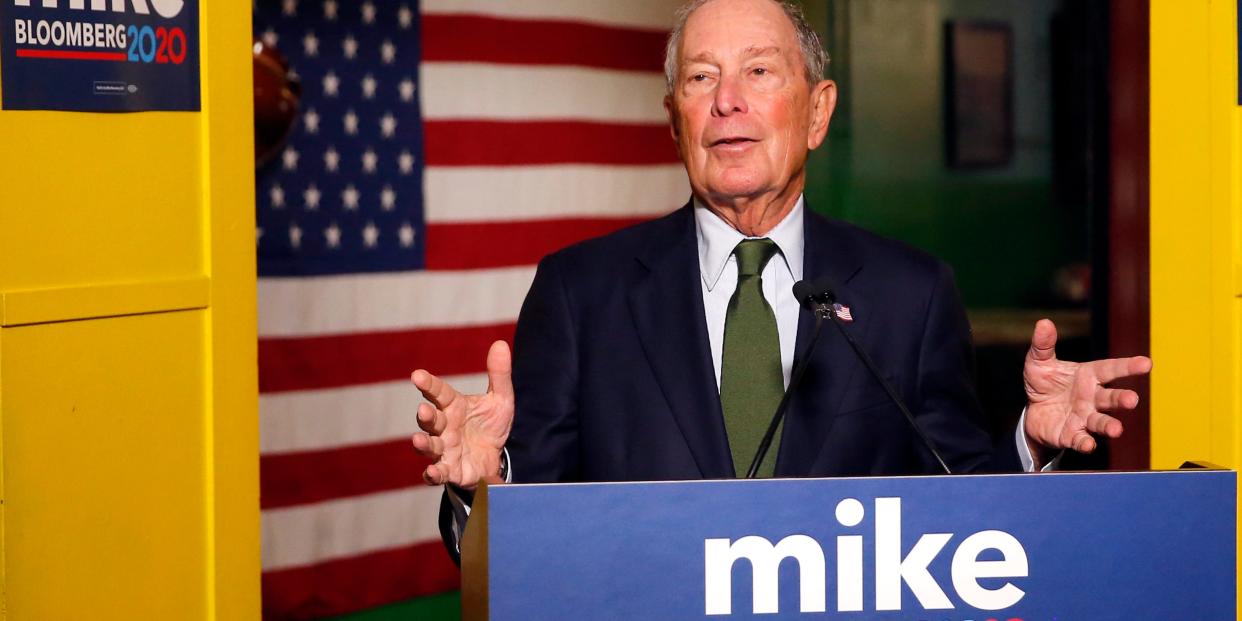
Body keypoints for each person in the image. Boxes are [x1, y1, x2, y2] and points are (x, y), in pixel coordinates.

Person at [409, 0, 1152, 559]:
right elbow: (520, 550)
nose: (728, 99)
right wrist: (485, 485)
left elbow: (959, 512)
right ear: (676, 120)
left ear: (817, 112)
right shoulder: (580, 293)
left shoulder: (910, 294)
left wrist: (1027, 442)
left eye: (759, 71)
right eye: (702, 77)